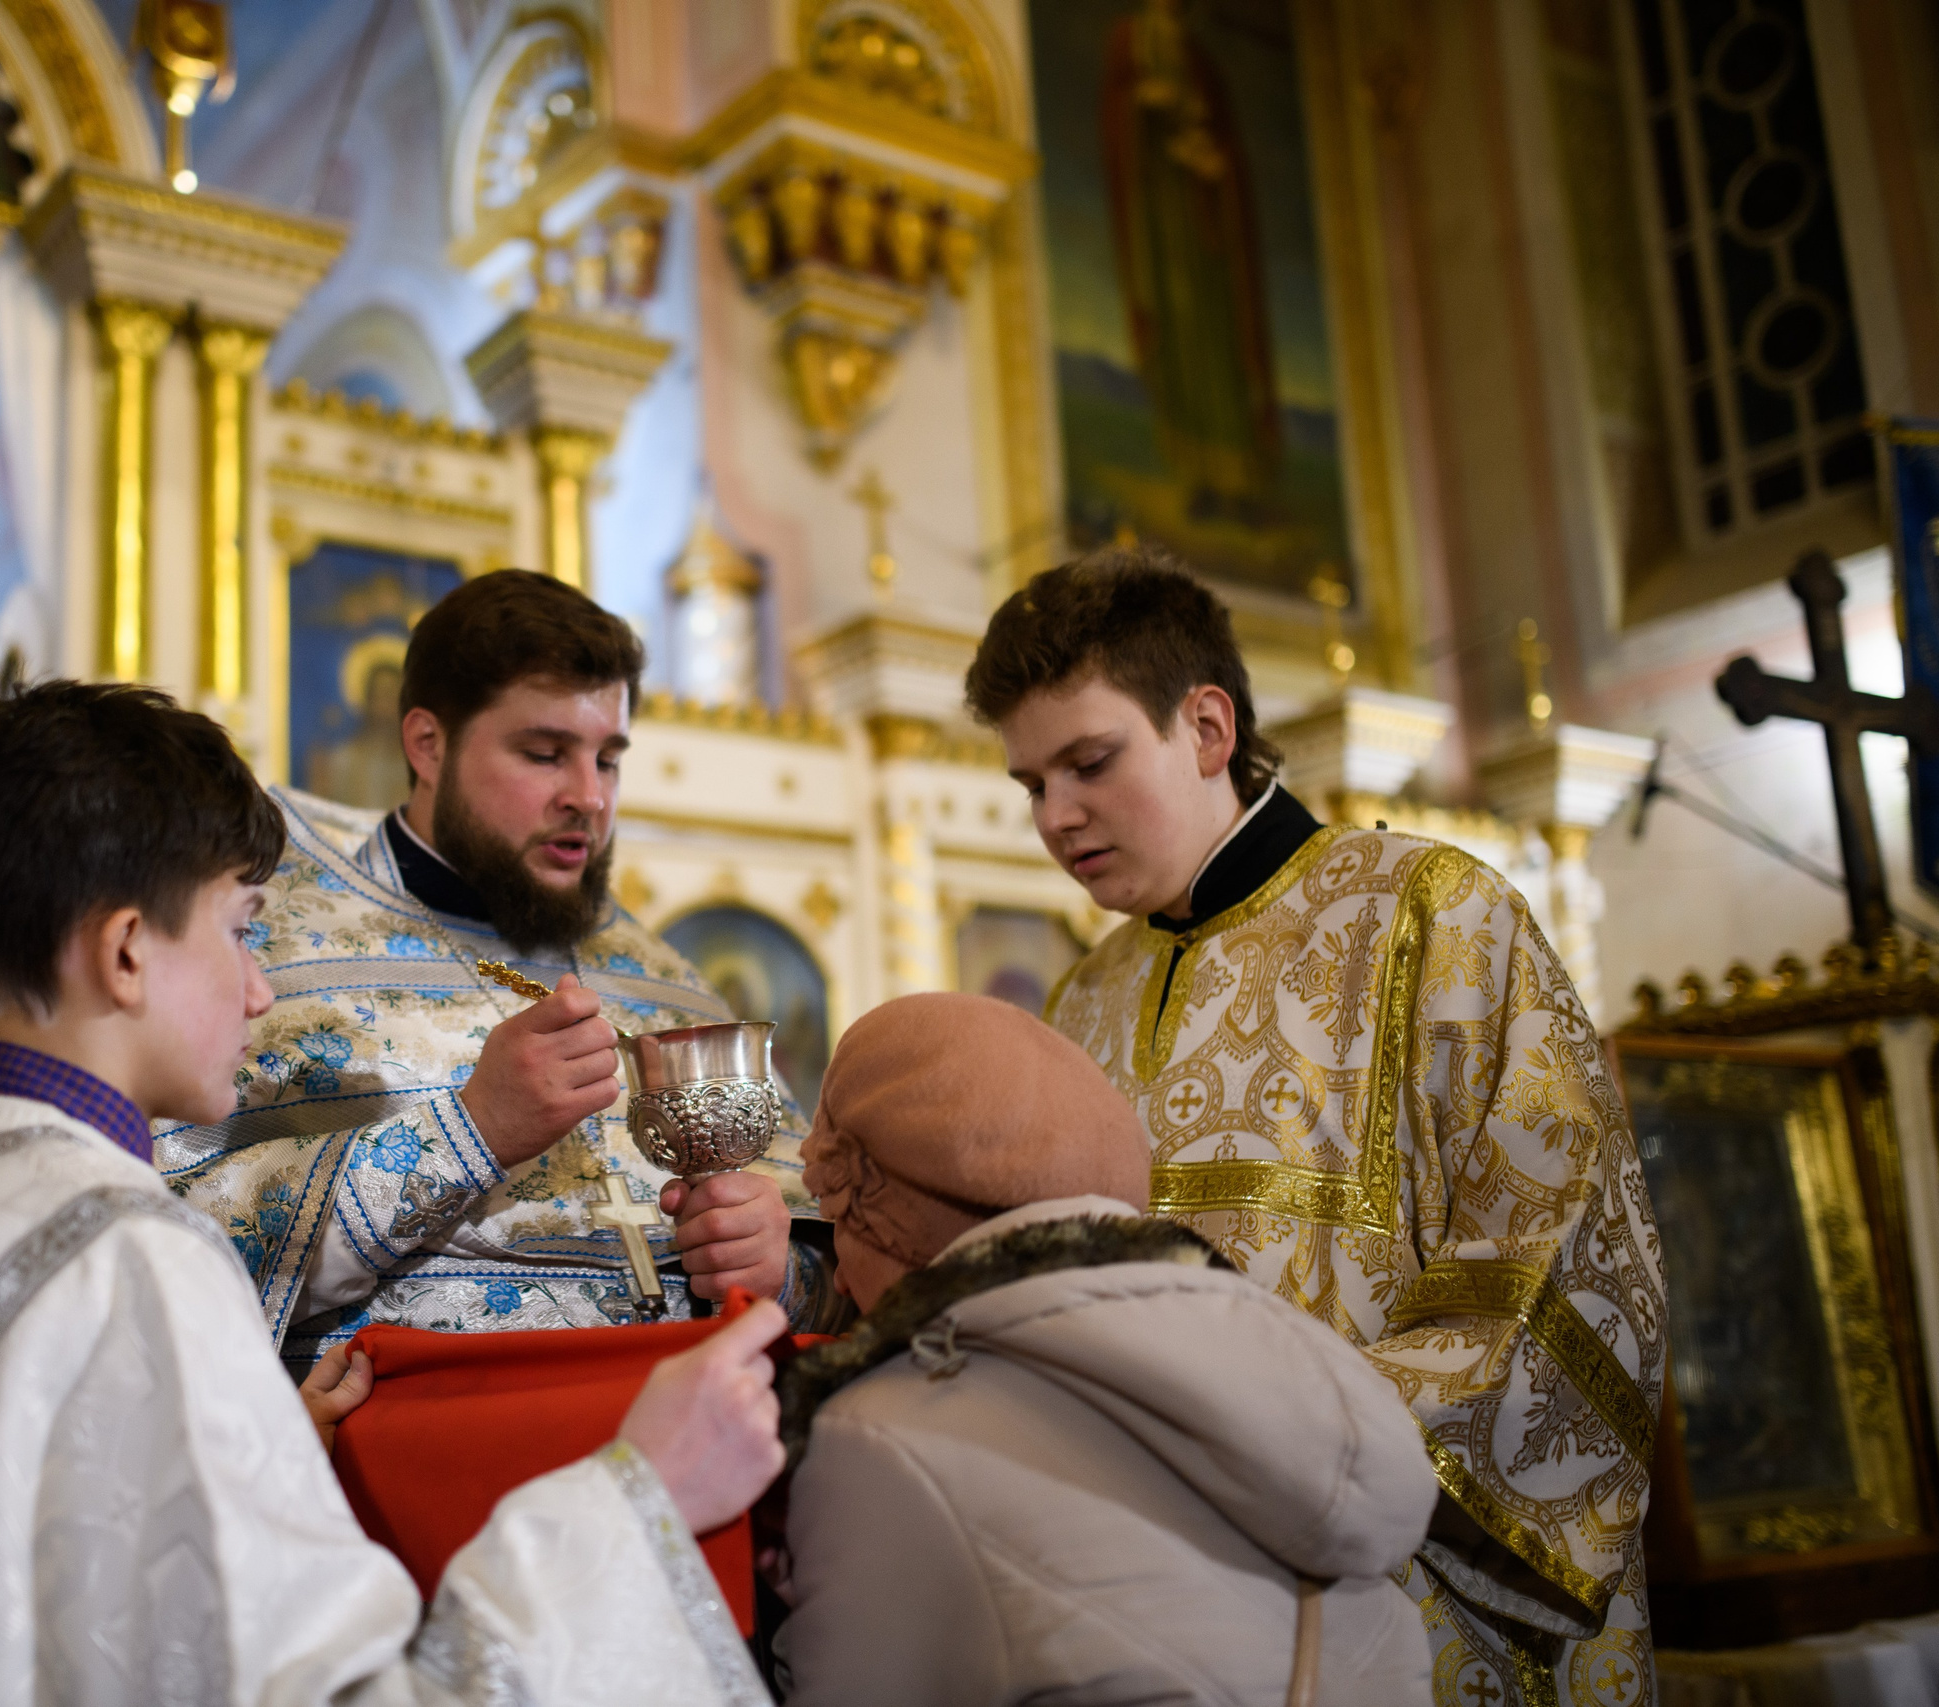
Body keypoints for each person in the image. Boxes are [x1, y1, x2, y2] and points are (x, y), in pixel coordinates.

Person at [0, 680, 791, 1707]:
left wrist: (255, 1453)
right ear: (128, 951)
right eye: (242, 929)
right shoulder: (129, 1259)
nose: (261, 986)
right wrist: (638, 1495)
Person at [968, 553, 1668, 1706]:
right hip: (1171, 1583)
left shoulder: (1434, 914)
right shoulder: (1084, 993)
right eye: (1029, 784)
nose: (1054, 817)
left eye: (1087, 764)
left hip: (1410, 1581)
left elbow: (1563, 1265)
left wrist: (1301, 1453)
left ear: (1205, 727)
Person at [162, 571, 846, 1368]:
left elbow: (841, 1278)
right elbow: (181, 1242)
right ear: (428, 744)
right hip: (407, 1457)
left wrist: (778, 1271)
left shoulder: (661, 976)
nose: (589, 798)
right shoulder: (277, 944)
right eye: (545, 753)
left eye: (609, 760)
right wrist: (472, 1130)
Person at [774, 991, 1435, 1706]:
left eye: (834, 1217)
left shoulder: (880, 1436)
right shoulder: (1304, 1362)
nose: (838, 1273)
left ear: (887, 1214)